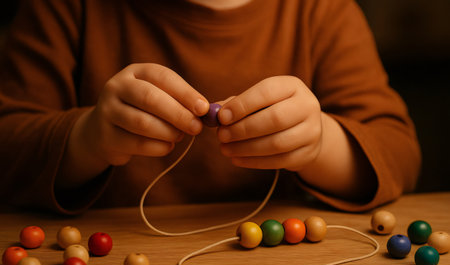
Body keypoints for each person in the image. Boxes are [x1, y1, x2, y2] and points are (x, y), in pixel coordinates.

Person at [0, 0, 421, 215]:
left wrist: (323, 145)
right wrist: (86, 139)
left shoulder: (321, 10)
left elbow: (398, 152)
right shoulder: (65, 8)